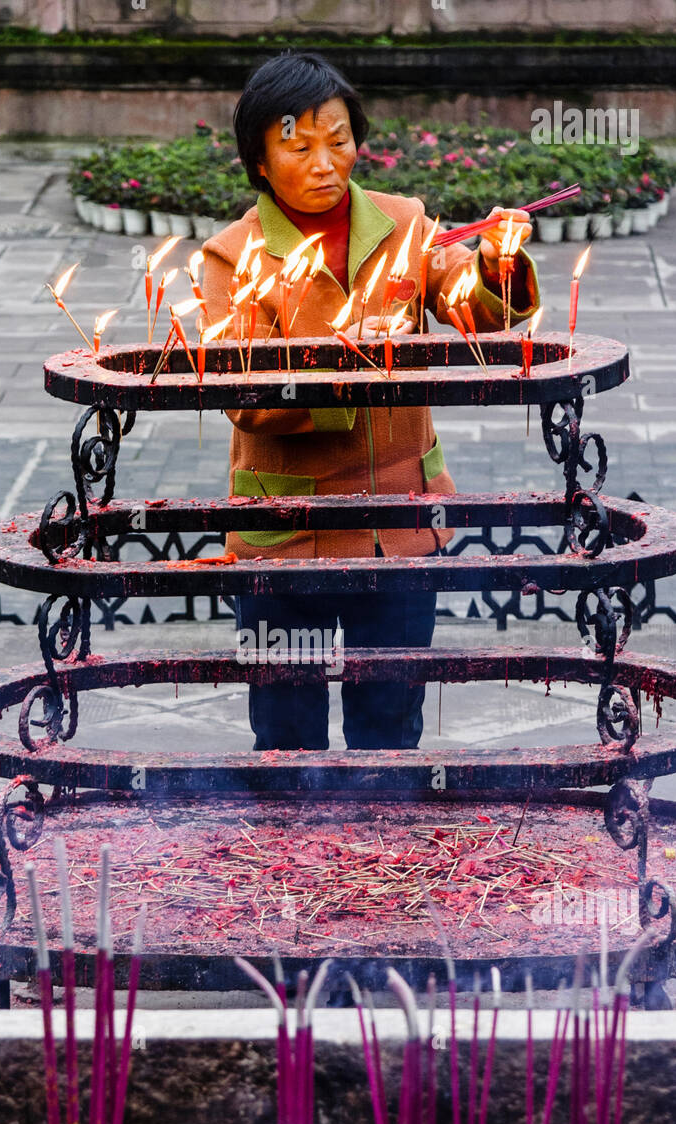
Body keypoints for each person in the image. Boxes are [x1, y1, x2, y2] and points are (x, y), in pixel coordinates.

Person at [202, 52, 540, 751]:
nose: (325, 162)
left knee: (389, 728)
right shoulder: (233, 257)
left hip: (401, 526)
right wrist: (340, 357)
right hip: (286, 537)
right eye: (298, 147)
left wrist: (495, 266)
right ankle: (289, 860)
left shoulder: (405, 221)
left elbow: (466, 306)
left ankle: (381, 861)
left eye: (339, 140)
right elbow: (247, 398)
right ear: (260, 162)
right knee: (286, 736)